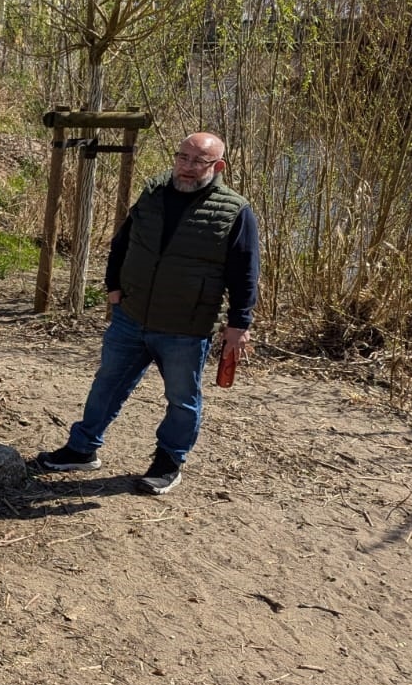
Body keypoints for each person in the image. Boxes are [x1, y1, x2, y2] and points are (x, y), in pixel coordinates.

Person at [34, 132, 258, 495]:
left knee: (182, 399)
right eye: (182, 157)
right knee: (107, 383)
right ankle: (82, 448)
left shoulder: (235, 211)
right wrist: (113, 288)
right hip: (132, 315)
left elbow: (246, 271)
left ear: (217, 167)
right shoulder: (153, 192)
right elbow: (123, 242)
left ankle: (168, 462)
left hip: (186, 326)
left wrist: (239, 323)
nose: (186, 167)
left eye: (197, 161)